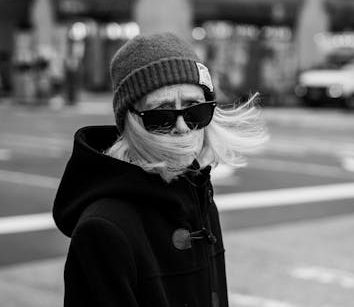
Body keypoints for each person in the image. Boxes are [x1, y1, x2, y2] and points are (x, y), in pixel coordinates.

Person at [53, 33, 268, 307]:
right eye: (161, 115)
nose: (182, 127)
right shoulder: (104, 230)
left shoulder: (199, 197)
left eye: (195, 110)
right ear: (130, 122)